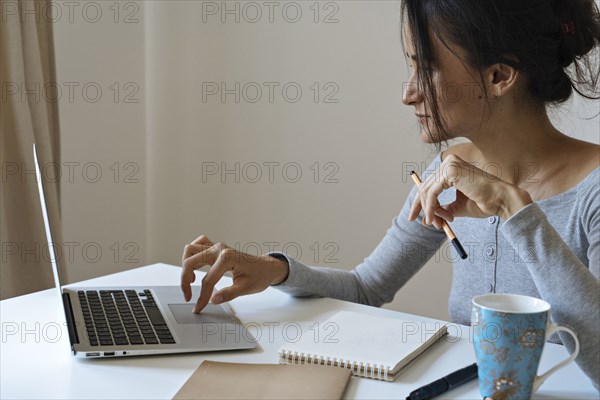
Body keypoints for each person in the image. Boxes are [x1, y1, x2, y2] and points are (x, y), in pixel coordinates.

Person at [181, 0, 600, 390]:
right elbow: (367, 287)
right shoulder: (450, 173)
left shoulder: (592, 192)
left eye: (428, 68)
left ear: (498, 77)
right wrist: (276, 270)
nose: (409, 92)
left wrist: (516, 212)